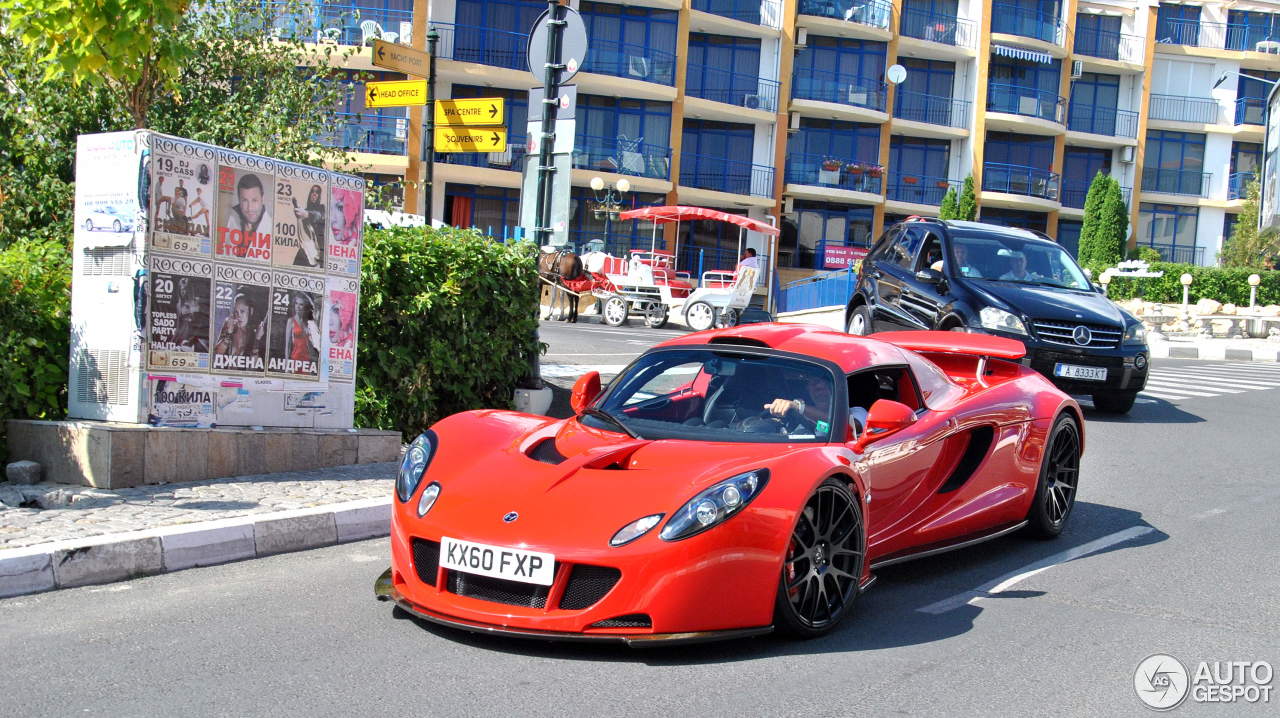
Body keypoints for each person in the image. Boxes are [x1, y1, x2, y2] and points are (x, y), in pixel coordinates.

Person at [213, 291, 265, 358]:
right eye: (236, 312)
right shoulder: (229, 324)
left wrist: (257, 340)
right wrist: (228, 333)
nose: (238, 316)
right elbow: (216, 354)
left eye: (242, 311)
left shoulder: (256, 333)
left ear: (251, 311)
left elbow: (255, 365)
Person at [224, 173, 272, 240]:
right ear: (239, 199)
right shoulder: (227, 218)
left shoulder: (272, 228)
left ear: (262, 199)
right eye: (245, 200)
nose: (250, 208)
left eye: (254, 200)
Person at [291, 184, 325, 267]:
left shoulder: (322, 208)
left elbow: (319, 216)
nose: (314, 194)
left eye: (317, 192)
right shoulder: (304, 210)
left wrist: (306, 214)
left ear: (319, 195)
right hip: (306, 247)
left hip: (318, 252)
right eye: (312, 191)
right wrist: (299, 217)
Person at [285, 292, 321, 365]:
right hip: (295, 358)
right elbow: (287, 345)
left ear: (305, 306)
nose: (297, 307)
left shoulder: (308, 323)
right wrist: (286, 364)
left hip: (307, 360)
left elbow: (315, 342)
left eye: (301, 304)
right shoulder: (291, 321)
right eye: (296, 303)